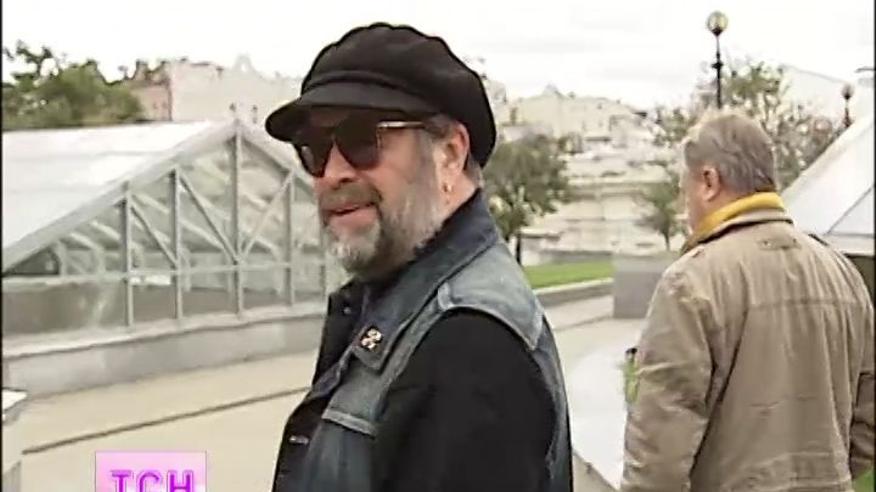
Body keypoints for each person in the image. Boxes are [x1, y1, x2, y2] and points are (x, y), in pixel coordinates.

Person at [264, 22, 572, 492]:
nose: (332, 173)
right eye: (315, 150)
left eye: (362, 140)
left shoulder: (470, 349)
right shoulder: (392, 301)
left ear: (449, 154)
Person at [621, 109, 874, 491]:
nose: (684, 209)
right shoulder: (844, 275)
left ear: (709, 181)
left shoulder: (690, 283)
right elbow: (867, 422)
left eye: (684, 190)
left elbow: (658, 456)